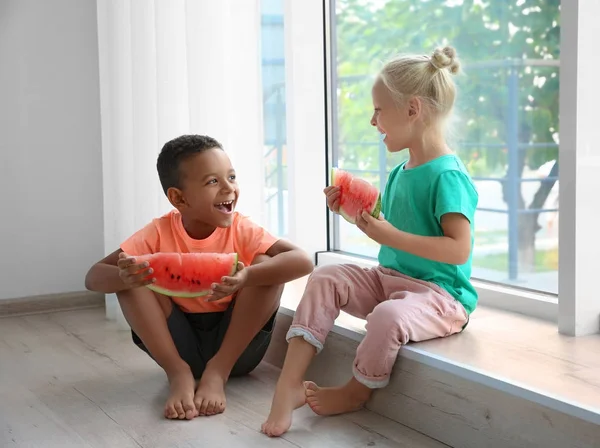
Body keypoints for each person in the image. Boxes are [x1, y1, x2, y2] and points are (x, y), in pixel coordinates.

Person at [261, 46, 478, 437]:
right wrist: (351, 207)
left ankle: (355, 391)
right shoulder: (401, 171)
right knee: (326, 277)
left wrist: (392, 235)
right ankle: (288, 383)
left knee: (387, 317)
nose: (373, 120)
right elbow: (396, 223)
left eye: (380, 110)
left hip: (440, 297)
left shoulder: (448, 175)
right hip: (390, 279)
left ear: (413, 109)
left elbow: (458, 248)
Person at [85, 134, 314, 420]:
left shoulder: (242, 229)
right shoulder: (158, 232)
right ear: (178, 198)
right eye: (213, 181)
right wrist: (126, 277)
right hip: (177, 344)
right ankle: (178, 374)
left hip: (238, 351)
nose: (229, 187)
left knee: (267, 264)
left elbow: (303, 261)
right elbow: (94, 276)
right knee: (130, 273)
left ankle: (217, 372)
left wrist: (248, 276)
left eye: (231, 176)